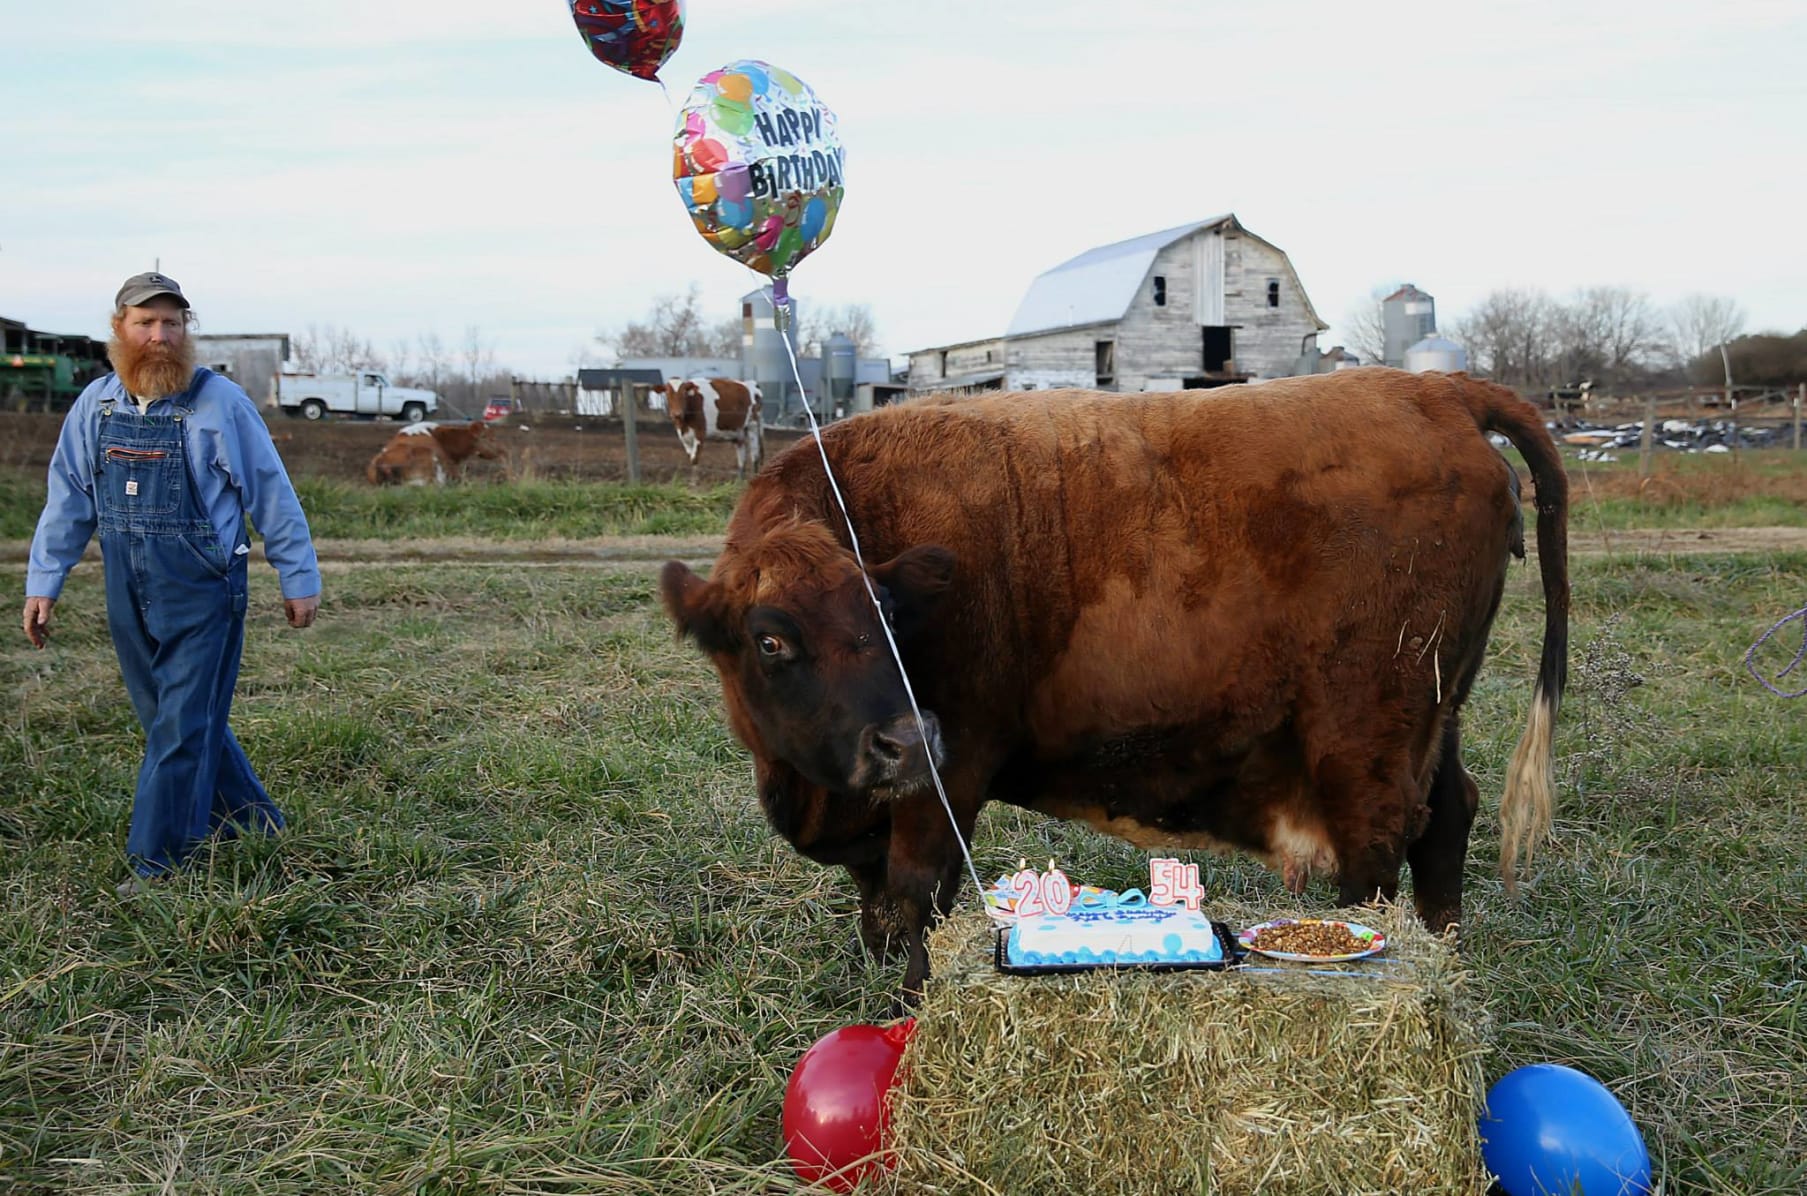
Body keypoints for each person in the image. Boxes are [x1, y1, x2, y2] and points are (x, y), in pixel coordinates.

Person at [21, 271, 322, 896]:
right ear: (119, 329)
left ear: (186, 330)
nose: (160, 335)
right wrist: (44, 582)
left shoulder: (221, 403)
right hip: (125, 584)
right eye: (146, 322)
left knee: (181, 724)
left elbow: (273, 496)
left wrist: (298, 576)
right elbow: (68, 501)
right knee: (170, 717)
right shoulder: (96, 405)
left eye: (172, 323)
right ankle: (254, 824)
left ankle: (157, 863)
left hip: (203, 585)